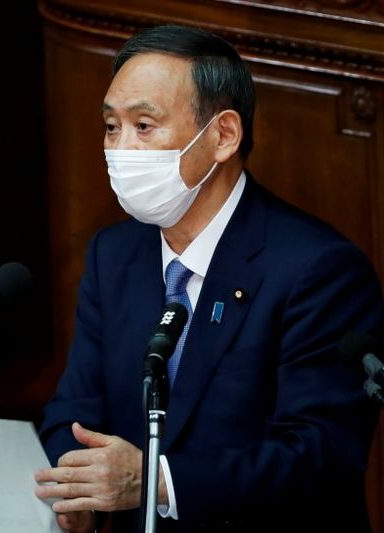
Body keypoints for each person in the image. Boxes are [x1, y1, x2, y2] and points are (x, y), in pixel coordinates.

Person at [33, 24, 384, 532]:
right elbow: (75, 409)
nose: (120, 148)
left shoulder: (318, 269)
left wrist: (158, 483)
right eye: (111, 127)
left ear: (223, 136)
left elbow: (321, 454)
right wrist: (79, 495)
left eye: (144, 126)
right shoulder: (115, 254)